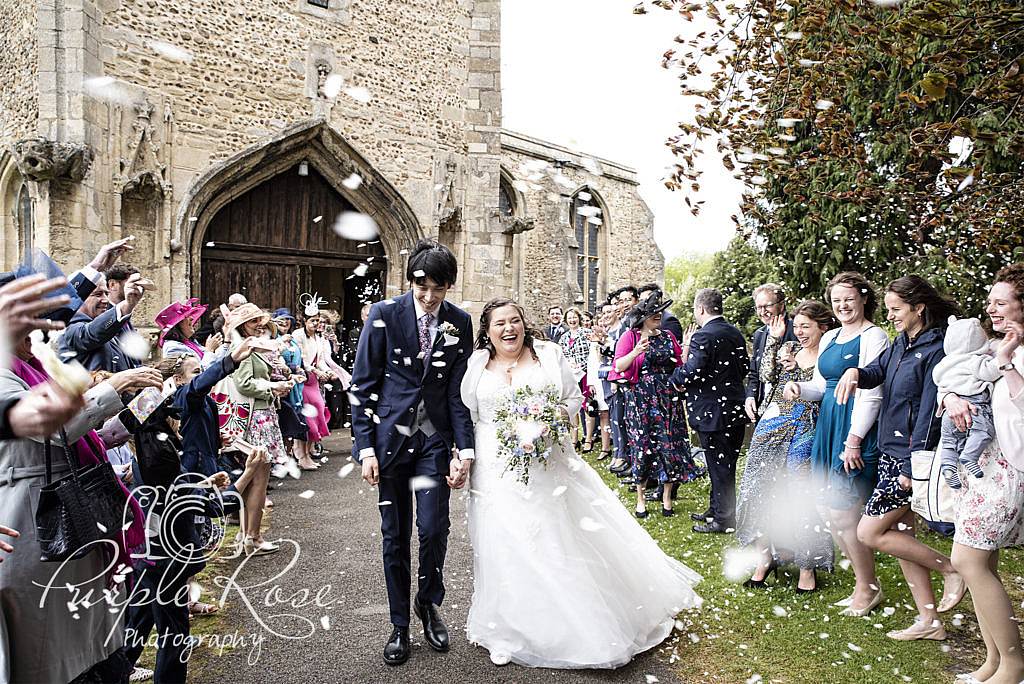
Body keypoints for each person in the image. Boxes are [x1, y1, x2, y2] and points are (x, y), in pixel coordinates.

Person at [461, 297, 701, 668]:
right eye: (499, 324)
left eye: (514, 321)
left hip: (547, 462)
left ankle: (577, 623)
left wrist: (545, 424)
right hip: (494, 466)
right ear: (487, 331)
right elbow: (470, 413)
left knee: (553, 536)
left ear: (524, 323)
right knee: (502, 540)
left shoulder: (548, 356)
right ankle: (507, 626)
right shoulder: (477, 365)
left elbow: (572, 399)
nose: (508, 329)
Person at [0, 336, 159, 683]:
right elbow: (55, 428)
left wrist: (131, 417)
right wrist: (114, 384)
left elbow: (84, 438)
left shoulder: (39, 369)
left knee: (93, 648)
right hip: (39, 526)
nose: (32, 334)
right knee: (51, 656)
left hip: (78, 519)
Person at [350, 239, 475, 667]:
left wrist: (466, 447)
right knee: (395, 535)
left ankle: (428, 603)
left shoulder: (460, 322)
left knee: (434, 528)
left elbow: (457, 394)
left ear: (448, 286)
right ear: (411, 282)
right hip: (389, 444)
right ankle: (399, 623)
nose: (428, 297)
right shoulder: (385, 315)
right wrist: (365, 448)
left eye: (437, 289)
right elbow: (362, 386)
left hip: (433, 443)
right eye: (421, 287)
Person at [830, 276, 965, 636]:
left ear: (918, 308)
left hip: (910, 457)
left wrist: (911, 465)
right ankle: (930, 621)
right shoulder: (900, 343)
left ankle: (951, 568)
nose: (890, 315)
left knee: (869, 532)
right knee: (901, 533)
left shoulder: (934, 349)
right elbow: (876, 372)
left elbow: (927, 412)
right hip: (891, 451)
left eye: (895, 309)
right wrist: (856, 371)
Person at [785, 271, 889, 617]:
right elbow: (821, 386)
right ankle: (865, 584)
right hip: (829, 425)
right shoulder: (829, 338)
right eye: (836, 300)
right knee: (831, 514)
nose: (843, 306)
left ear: (862, 298)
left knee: (845, 513)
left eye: (849, 298)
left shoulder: (875, 337)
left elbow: (872, 395)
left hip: (855, 428)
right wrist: (801, 389)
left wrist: (855, 439)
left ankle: (868, 587)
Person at [943, 264, 1024, 684]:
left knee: (967, 561)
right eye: (990, 300)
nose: (991, 308)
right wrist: (955, 394)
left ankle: (1014, 667)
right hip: (989, 467)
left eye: (1001, 301)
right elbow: (961, 377)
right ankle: (992, 662)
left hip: (1013, 470)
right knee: (981, 563)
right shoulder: (997, 345)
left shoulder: (1012, 351)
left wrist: (1008, 362)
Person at [735, 300, 835, 592]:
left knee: (798, 496)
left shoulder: (827, 359)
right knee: (756, 491)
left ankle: (807, 565)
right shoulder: (787, 349)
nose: (800, 332)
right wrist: (775, 341)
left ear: (823, 327)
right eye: (798, 326)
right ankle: (765, 558)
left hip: (805, 429)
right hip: (770, 426)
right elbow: (765, 375)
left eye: (807, 326)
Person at [613, 293, 699, 518]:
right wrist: (636, 352)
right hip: (641, 399)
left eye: (660, 312)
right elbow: (619, 366)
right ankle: (641, 498)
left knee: (669, 446)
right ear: (643, 318)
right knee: (642, 447)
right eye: (654, 313)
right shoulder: (630, 337)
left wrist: (686, 347)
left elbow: (679, 363)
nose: (658, 315)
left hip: (668, 398)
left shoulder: (668, 336)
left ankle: (667, 498)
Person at [671, 288, 750, 534]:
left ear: (701, 309)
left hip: (713, 412)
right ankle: (716, 509)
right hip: (734, 408)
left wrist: (676, 375)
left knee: (719, 465)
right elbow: (745, 366)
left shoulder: (703, 336)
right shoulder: (735, 333)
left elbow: (692, 371)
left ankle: (724, 519)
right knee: (725, 463)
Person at [224, 302, 291, 553]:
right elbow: (244, 384)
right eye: (253, 322)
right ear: (242, 325)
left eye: (260, 320)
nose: (260, 325)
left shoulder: (250, 346)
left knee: (254, 479)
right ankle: (252, 536)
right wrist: (274, 388)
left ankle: (246, 535)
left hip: (260, 415)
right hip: (257, 419)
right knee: (258, 480)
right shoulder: (245, 349)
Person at [932, 317, 1001, 488]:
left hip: (949, 412)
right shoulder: (974, 360)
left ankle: (948, 466)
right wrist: (1002, 358)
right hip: (975, 407)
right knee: (983, 432)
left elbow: (938, 382)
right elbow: (991, 372)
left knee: (950, 442)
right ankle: (970, 456)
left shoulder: (943, 363)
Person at [59, 271, 151, 372]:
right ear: (78, 299)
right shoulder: (71, 328)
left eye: (106, 293)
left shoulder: (111, 327)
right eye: (98, 294)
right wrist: (127, 305)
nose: (106, 299)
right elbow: (90, 334)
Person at [745, 283, 798, 422]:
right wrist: (751, 396)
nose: (763, 312)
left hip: (792, 408)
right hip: (764, 407)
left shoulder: (797, 329)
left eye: (767, 306)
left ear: (781, 305)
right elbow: (754, 372)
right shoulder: (759, 333)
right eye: (759, 307)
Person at [271, 308, 310, 465]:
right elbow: (276, 361)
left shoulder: (293, 340)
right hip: (281, 385)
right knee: (286, 422)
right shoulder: (275, 339)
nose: (286, 323)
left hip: (295, 386)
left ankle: (288, 456)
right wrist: (292, 369)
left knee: (292, 422)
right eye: (282, 320)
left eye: (288, 320)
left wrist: (300, 369)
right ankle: (283, 458)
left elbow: (299, 359)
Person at [558, 308, 593, 449]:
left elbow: (593, 353)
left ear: (579, 318)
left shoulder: (587, 333)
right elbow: (562, 356)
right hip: (571, 376)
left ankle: (588, 439)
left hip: (585, 374)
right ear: (566, 320)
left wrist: (581, 365)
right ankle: (574, 438)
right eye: (569, 318)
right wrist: (569, 365)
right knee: (574, 406)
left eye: (574, 317)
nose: (572, 320)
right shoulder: (564, 338)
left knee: (587, 406)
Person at [155, 297, 222, 362]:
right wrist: (210, 350)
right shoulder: (173, 348)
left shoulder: (191, 342)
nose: (191, 318)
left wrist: (226, 343)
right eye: (186, 316)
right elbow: (198, 372)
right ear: (177, 325)